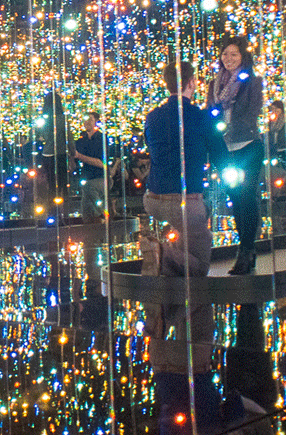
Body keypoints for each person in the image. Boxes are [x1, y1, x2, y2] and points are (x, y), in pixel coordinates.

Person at [144, 61, 228, 432]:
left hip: (153, 198)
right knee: (200, 263)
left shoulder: (153, 116)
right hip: (186, 199)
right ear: (193, 83)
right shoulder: (198, 115)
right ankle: (164, 254)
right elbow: (221, 154)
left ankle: (164, 288)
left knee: (181, 271)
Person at [204, 36, 263, 275]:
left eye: (234, 54)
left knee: (246, 197)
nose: (228, 59)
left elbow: (252, 113)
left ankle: (246, 250)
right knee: (235, 200)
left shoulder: (252, 82)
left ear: (243, 57)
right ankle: (247, 248)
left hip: (247, 145)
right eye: (225, 54)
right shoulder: (214, 84)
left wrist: (226, 127)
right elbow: (210, 113)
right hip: (223, 149)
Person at [37, 91, 69, 222]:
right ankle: (60, 214)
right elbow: (68, 138)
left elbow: (41, 136)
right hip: (60, 154)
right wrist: (72, 154)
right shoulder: (62, 119)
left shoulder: (43, 119)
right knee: (61, 185)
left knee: (50, 185)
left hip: (47, 154)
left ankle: (51, 214)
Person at [73, 112, 107, 222]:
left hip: (101, 178)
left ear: (96, 122)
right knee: (86, 213)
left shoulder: (101, 139)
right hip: (87, 180)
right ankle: (94, 225)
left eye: (90, 120)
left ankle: (102, 213)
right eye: (85, 119)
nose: (87, 122)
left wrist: (79, 156)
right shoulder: (81, 141)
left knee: (88, 187)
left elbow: (102, 163)